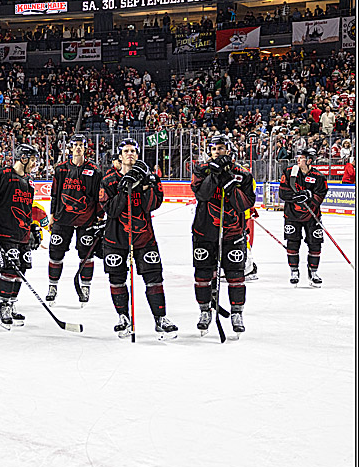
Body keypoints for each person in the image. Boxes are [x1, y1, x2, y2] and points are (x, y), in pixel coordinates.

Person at [98, 138, 177, 340]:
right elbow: (111, 210)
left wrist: (146, 186)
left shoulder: (150, 179)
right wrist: (124, 190)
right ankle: (123, 317)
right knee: (117, 279)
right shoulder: (108, 181)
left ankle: (160, 319)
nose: (130, 153)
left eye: (133, 150)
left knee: (154, 278)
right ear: (120, 155)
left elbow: (152, 205)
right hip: (116, 238)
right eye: (126, 150)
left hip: (144, 237)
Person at [190, 134, 256, 338]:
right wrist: (214, 175)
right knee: (203, 274)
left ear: (229, 150)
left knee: (236, 275)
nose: (218, 152)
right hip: (204, 231)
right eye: (214, 149)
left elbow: (245, 203)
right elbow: (202, 195)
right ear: (209, 151)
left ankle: (237, 314)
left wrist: (227, 180)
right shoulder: (201, 171)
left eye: (221, 148)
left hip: (233, 232)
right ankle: (204, 312)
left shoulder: (242, 174)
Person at [0, 144, 43, 330]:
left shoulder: (28, 182)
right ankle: (3, 307)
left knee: (22, 270)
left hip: (23, 233)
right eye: (33, 159)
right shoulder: (3, 175)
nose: (35, 164)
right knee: (9, 270)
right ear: (24, 158)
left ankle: (11, 305)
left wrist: (34, 227)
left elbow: (28, 210)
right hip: (4, 232)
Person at [46, 134, 104, 307]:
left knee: (86, 255)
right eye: (75, 145)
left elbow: (98, 196)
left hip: (86, 220)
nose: (78, 148)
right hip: (62, 219)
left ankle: (85, 288)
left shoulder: (94, 170)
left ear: (85, 148)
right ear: (70, 148)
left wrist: (100, 217)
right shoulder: (61, 169)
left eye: (81, 145)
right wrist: (51, 215)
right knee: (55, 253)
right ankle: (52, 287)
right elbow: (55, 194)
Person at [278, 147, 328, 286]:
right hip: (292, 215)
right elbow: (282, 193)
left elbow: (320, 196)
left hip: (312, 216)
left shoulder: (319, 177)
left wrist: (310, 196)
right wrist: (296, 197)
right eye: (298, 157)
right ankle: (294, 271)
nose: (298, 160)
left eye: (301, 158)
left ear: (309, 160)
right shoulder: (289, 172)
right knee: (292, 242)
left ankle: (313, 272)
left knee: (315, 243)